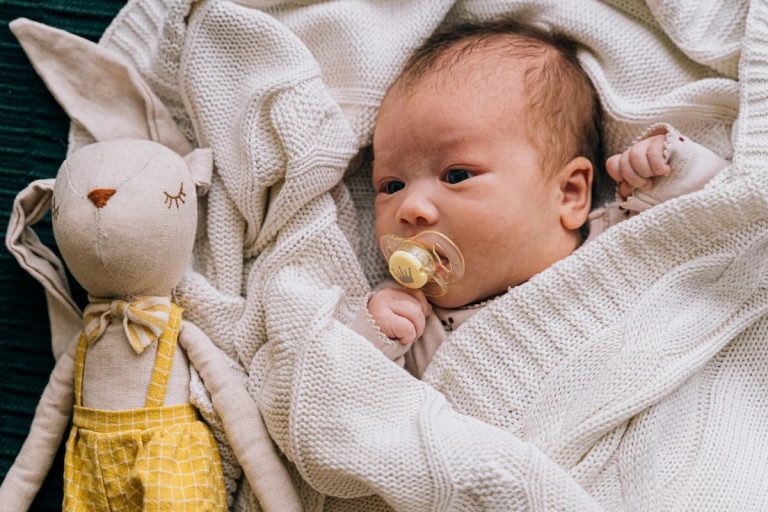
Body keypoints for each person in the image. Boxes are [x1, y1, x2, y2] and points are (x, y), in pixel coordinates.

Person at [349, 18, 729, 378]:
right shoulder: (411, 320)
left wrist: (674, 166)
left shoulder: (619, 237)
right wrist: (372, 337)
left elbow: (721, 221)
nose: (410, 208)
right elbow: (364, 400)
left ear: (569, 193)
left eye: (457, 175)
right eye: (392, 186)